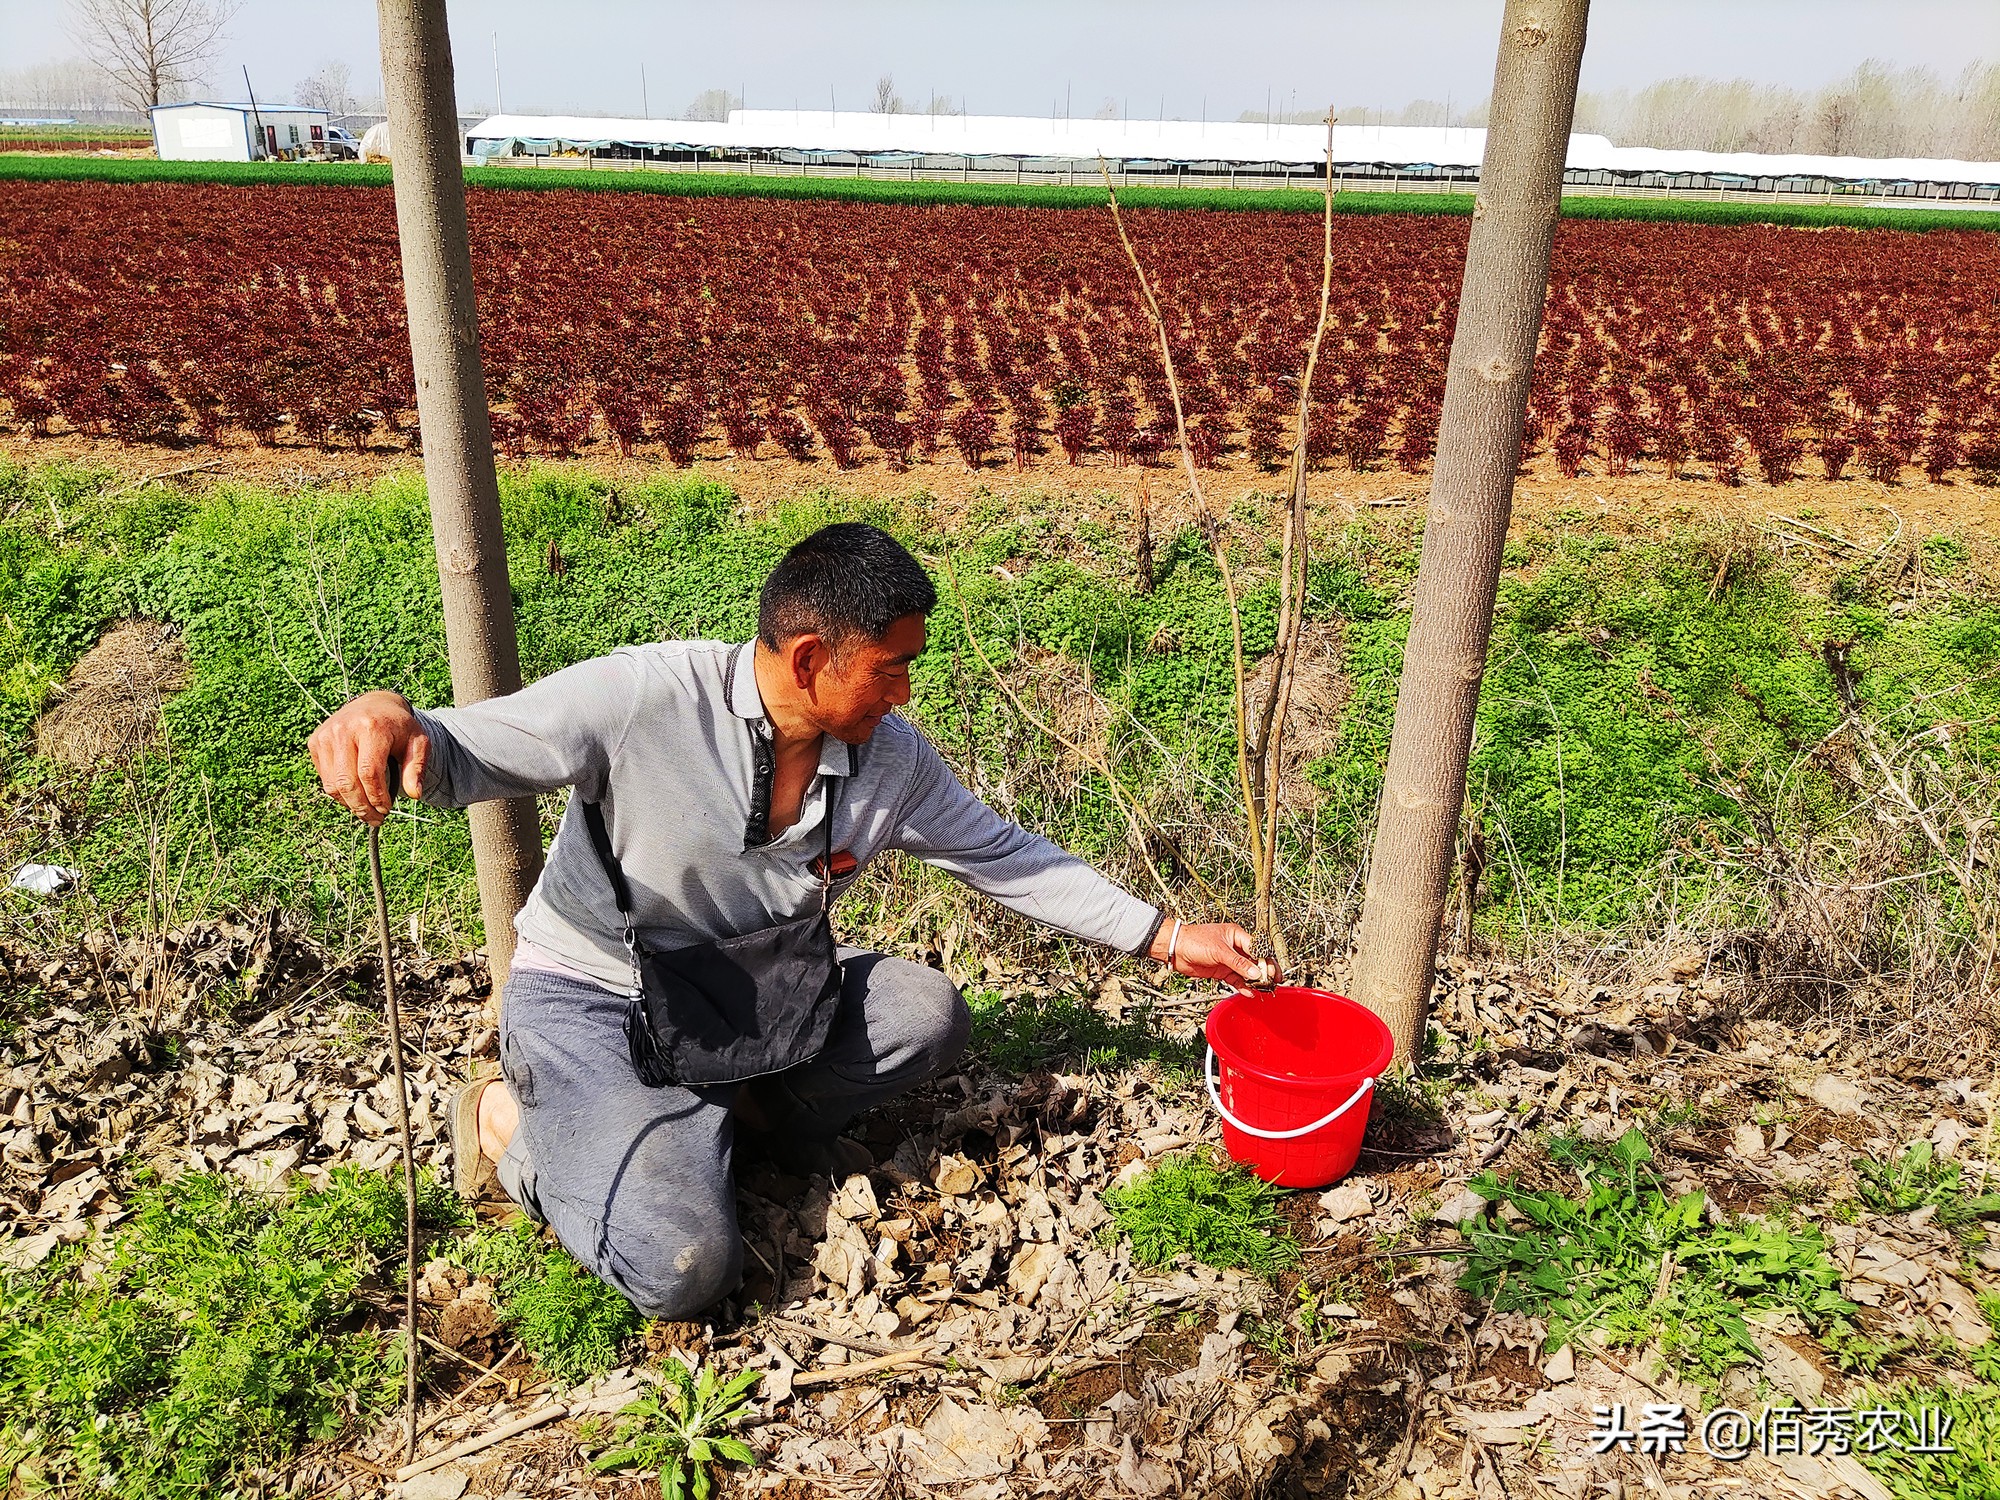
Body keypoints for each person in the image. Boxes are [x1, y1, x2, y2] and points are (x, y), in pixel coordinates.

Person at [308, 522, 1264, 1319]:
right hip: (602, 1001)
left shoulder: (889, 760)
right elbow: (469, 746)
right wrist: (388, 716)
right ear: (812, 659)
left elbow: (1003, 853)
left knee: (923, 1014)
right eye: (890, 671)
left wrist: (1169, 937)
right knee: (681, 1266)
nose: (904, 695)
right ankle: (511, 1123)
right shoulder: (647, 699)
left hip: (754, 998)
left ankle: (730, 1115)